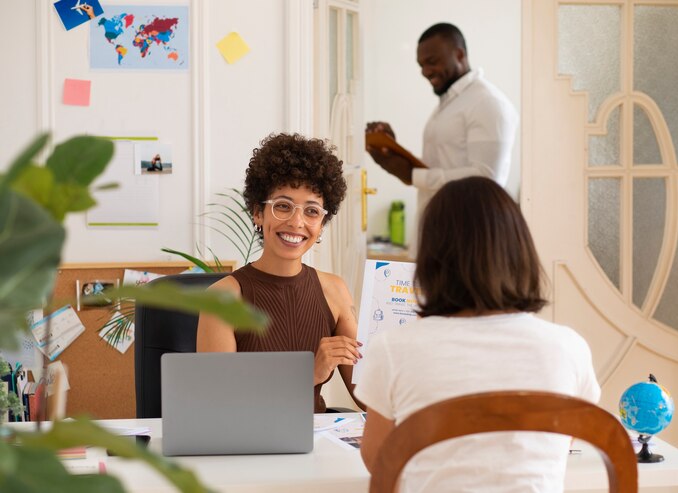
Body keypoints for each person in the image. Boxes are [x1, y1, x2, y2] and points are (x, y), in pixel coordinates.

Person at [355, 176, 600, 492]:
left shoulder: (394, 347)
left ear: (431, 259)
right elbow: (562, 442)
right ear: (519, 252)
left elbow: (379, 460)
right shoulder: (568, 347)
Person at [197, 133, 363, 413]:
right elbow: (218, 406)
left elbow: (367, 397)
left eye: (311, 211)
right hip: (249, 450)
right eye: (283, 206)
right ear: (258, 213)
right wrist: (307, 375)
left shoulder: (335, 290)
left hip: (318, 445)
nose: (297, 222)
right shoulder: (223, 298)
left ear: (321, 224)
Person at [366, 23, 518, 250]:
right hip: (438, 231)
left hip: (469, 238)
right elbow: (442, 164)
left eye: (432, 61)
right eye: (421, 65)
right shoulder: (450, 102)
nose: (426, 72)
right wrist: (393, 153)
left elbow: (487, 179)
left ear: (459, 54)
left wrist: (414, 175)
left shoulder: (487, 102)